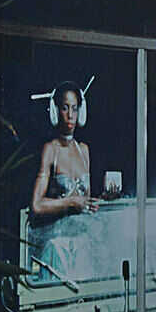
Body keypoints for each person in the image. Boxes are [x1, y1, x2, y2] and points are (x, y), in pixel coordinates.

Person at [31, 85, 98, 220]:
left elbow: (86, 200)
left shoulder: (83, 150)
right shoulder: (51, 150)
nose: (70, 115)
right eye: (65, 108)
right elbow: (37, 205)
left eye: (74, 109)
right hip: (58, 231)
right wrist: (71, 202)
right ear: (55, 112)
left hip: (83, 229)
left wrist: (104, 199)